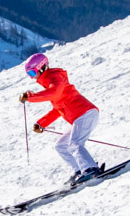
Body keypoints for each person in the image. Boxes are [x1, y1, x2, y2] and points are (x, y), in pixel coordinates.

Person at [19, 52, 101, 185]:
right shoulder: (49, 82)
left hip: (85, 113)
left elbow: (54, 92)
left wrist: (31, 97)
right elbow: (58, 109)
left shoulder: (55, 77)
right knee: (61, 145)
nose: (32, 78)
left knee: (75, 143)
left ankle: (90, 169)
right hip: (80, 117)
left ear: (41, 67)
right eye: (29, 75)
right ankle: (80, 169)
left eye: (33, 73)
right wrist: (41, 124)